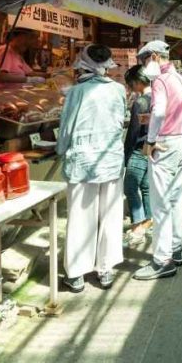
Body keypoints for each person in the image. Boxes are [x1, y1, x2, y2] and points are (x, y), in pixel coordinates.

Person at [57, 44, 127, 292]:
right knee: (110, 214)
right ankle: (105, 269)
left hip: (82, 161)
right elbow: (121, 121)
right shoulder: (119, 90)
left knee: (79, 216)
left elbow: (65, 129)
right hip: (110, 160)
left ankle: (76, 274)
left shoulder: (76, 92)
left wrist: (59, 150)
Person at [133, 40, 182, 281]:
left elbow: (158, 111)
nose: (145, 66)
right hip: (181, 141)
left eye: (146, 60)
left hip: (165, 144)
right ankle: (176, 249)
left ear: (156, 56)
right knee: (175, 198)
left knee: (160, 203)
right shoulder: (179, 78)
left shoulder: (160, 80)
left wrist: (150, 139)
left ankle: (162, 260)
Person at [122, 65, 153, 247]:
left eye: (131, 83)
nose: (130, 87)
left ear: (138, 82)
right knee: (146, 187)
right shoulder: (156, 98)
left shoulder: (140, 103)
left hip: (138, 150)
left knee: (130, 187)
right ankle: (148, 220)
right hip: (151, 148)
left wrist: (126, 155)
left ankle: (137, 225)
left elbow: (133, 132)